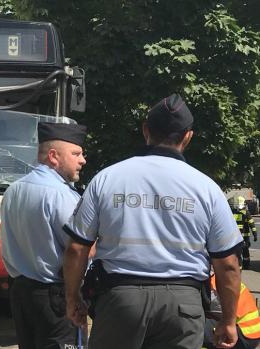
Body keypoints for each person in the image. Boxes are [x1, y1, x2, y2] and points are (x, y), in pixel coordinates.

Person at [63, 93, 243, 349]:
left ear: (146, 130)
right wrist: (228, 320)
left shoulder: (107, 179)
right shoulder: (207, 189)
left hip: (120, 302)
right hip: (183, 308)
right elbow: (227, 264)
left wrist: (73, 299)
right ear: (188, 136)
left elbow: (76, 248)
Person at [0, 121, 88, 349]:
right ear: (53, 156)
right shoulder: (61, 194)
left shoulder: (13, 190)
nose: (82, 160)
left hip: (21, 293)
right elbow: (78, 249)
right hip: (56, 296)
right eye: (76, 153)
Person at [203, 272, 260, 349]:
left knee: (193, 324)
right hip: (252, 332)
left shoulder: (212, 286)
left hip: (243, 334)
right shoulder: (222, 279)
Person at [229, 195, 257, 269]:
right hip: (245, 236)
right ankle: (246, 265)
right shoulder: (246, 213)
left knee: (236, 251)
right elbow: (252, 224)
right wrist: (255, 234)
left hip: (235, 236)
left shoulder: (232, 213)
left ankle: (238, 265)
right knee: (245, 251)